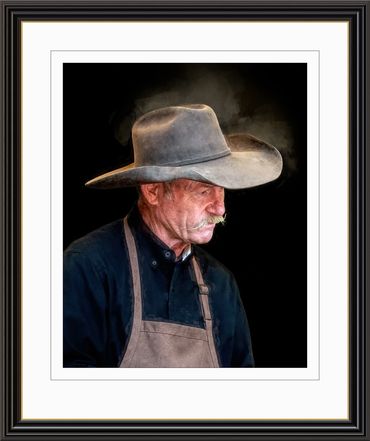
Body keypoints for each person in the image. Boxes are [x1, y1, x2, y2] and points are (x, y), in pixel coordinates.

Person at [63, 104, 283, 368]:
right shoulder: (88, 268)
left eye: (221, 189)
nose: (220, 208)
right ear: (152, 191)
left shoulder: (221, 284)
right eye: (203, 192)